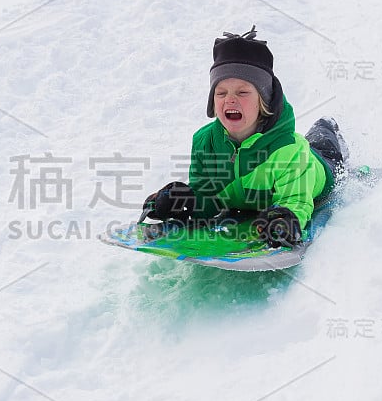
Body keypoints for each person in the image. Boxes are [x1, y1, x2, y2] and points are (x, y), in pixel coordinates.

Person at [141, 28, 349, 248]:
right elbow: (208, 195)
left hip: (321, 165)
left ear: (264, 102)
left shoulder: (288, 149)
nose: (230, 100)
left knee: (323, 140)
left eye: (242, 92)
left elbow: (296, 200)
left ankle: (328, 124)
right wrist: (183, 201)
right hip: (260, 194)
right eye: (221, 93)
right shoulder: (205, 143)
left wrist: (286, 219)